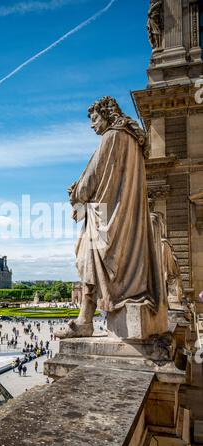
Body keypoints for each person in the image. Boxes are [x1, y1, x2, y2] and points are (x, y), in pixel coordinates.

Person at [56, 96, 163, 339]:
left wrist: (75, 193)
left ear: (107, 114)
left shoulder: (112, 137)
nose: (92, 125)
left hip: (105, 217)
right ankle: (87, 317)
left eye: (94, 119)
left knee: (87, 261)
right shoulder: (134, 142)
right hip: (127, 216)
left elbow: (89, 183)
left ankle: (85, 320)